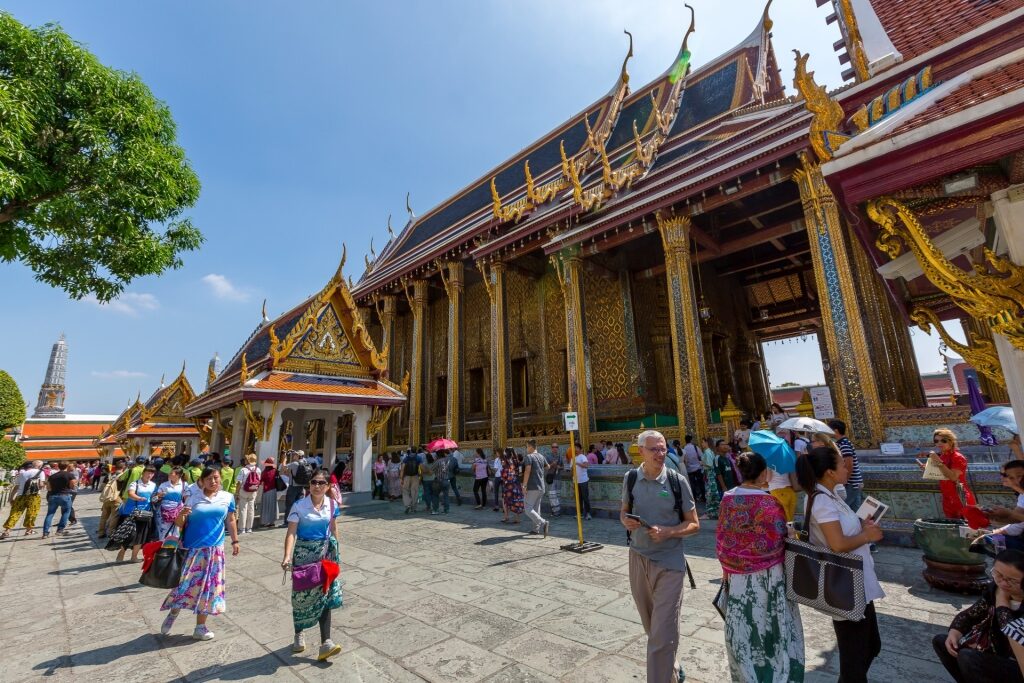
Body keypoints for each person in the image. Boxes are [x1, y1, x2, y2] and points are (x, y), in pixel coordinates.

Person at [797, 445, 885, 683]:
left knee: (871, 645)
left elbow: (840, 531)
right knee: (855, 656)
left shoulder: (831, 495)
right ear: (829, 472)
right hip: (846, 585)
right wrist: (867, 537)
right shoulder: (821, 501)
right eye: (841, 464)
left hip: (858, 579)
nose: (847, 467)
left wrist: (861, 526)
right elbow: (836, 544)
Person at [716, 452, 805, 682]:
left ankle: (747, 674)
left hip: (736, 574)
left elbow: (724, 534)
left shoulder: (727, 498)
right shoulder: (769, 501)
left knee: (744, 626)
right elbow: (778, 540)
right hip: (768, 574)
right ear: (764, 473)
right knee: (771, 624)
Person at [620, 430, 699, 683]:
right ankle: (672, 666)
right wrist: (626, 522)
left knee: (662, 633)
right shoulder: (631, 479)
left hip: (670, 562)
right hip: (639, 557)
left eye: (663, 448)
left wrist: (669, 532)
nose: (660, 454)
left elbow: (694, 524)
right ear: (640, 451)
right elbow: (624, 512)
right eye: (654, 449)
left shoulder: (677, 481)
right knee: (651, 625)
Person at [160, 466, 239, 641]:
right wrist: (181, 514)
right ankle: (174, 612)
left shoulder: (227, 498)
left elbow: (231, 519)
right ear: (201, 481)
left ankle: (200, 627)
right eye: (209, 478)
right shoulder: (193, 498)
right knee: (184, 585)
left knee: (209, 589)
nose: (213, 481)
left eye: (216, 478)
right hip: (192, 549)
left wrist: (235, 540)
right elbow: (180, 523)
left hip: (214, 550)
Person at [932, 549, 1024, 682]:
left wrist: (1002, 603)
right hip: (994, 650)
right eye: (998, 575)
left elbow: (1011, 630)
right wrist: (955, 631)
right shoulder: (995, 590)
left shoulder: (1002, 595)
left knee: (968, 657)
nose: (1003, 583)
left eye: (1012, 581)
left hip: (1017, 663)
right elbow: (971, 614)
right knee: (942, 642)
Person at [282, 469, 343, 660]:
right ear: (309, 485)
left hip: (324, 554)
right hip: (303, 554)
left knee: (325, 595)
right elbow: (291, 533)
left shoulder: (332, 505)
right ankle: (299, 632)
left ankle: (326, 642)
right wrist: (287, 556)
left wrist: (337, 552)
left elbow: (333, 528)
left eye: (321, 483)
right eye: (314, 482)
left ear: (328, 486)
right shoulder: (299, 506)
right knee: (302, 597)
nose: (317, 486)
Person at [918, 428, 977, 519]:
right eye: (936, 441)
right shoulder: (943, 456)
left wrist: (938, 461)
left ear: (951, 441)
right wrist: (927, 469)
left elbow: (953, 477)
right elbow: (941, 473)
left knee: (965, 528)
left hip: (960, 497)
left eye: (943, 440)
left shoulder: (958, 457)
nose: (939, 443)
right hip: (947, 498)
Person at [115, 464, 157, 561]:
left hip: (145, 513)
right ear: (143, 473)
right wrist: (139, 498)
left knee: (140, 535)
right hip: (131, 512)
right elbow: (130, 493)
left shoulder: (153, 485)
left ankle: (134, 556)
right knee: (128, 534)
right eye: (148, 473)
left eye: (152, 473)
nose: (149, 475)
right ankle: (121, 552)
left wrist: (157, 497)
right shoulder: (135, 483)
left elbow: (154, 497)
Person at [1, 460, 45, 539]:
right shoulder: (40, 472)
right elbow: (41, 485)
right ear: (39, 466)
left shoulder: (21, 474)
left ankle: (6, 531)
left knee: (15, 513)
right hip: (34, 496)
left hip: (21, 495)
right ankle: (29, 530)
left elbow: (16, 487)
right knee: (32, 512)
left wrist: (11, 498)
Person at [828, 419, 864, 513]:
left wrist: (844, 481)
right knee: (856, 510)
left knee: (843, 509)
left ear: (835, 431)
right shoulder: (843, 443)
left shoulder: (844, 444)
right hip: (855, 482)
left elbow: (849, 464)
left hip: (851, 483)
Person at [40, 462, 77, 539]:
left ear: (58, 467)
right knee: (66, 512)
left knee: (50, 514)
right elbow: (73, 485)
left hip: (53, 496)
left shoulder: (52, 476)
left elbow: (48, 488)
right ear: (67, 466)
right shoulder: (69, 475)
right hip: (64, 495)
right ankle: (60, 530)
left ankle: (45, 533)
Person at [522, 440, 549, 537]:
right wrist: (539, 472)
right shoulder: (541, 456)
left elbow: (527, 470)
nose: (526, 449)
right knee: (536, 508)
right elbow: (548, 467)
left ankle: (543, 522)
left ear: (530, 447)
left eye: (527, 447)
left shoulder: (529, 457)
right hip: (541, 486)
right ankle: (535, 529)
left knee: (528, 509)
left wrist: (524, 485)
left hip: (532, 486)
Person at [153, 467, 186, 539]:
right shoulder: (164, 485)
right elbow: (155, 499)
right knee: (163, 533)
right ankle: (163, 549)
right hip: (163, 513)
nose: (169, 474)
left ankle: (172, 549)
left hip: (177, 512)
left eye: (172, 473)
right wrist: (159, 496)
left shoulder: (184, 485)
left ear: (178, 475)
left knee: (176, 534)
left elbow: (187, 499)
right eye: (170, 473)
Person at [97, 460, 125, 538]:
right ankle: (110, 533)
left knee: (104, 516)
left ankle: (101, 532)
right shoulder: (123, 476)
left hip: (107, 498)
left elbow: (102, 486)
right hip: (117, 498)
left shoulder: (109, 475)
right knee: (114, 517)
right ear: (123, 467)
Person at [236, 453, 260, 534]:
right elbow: (258, 482)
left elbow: (239, 482)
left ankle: (242, 528)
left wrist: (237, 491)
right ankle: (249, 528)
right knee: (251, 509)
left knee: (243, 509)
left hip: (244, 490)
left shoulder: (243, 470)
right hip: (253, 491)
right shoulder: (258, 469)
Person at [500, 447, 524, 524]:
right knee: (516, 500)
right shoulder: (517, 461)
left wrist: (504, 478)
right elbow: (520, 473)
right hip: (516, 483)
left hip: (508, 484)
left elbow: (504, 474)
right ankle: (517, 518)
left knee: (505, 500)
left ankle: (506, 516)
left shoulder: (505, 461)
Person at [286, 451, 312, 516]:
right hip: (302, 487)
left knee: (290, 504)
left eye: (295, 454)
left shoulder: (294, 464)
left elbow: (283, 467)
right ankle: (299, 519)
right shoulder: (306, 462)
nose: (294, 455)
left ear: (298, 456)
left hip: (293, 486)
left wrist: (285, 458)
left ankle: (287, 521)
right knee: (300, 504)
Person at [700, 438, 720, 520]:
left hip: (709, 474)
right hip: (711, 474)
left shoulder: (707, 452)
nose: (702, 443)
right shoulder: (710, 451)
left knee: (709, 494)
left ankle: (709, 513)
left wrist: (702, 463)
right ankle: (715, 512)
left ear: (706, 443)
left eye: (703, 442)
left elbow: (709, 464)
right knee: (713, 493)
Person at [682, 435, 705, 504]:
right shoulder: (695, 447)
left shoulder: (684, 449)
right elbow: (701, 456)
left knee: (692, 484)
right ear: (691, 440)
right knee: (701, 483)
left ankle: (694, 498)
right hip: (698, 468)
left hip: (689, 469)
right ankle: (703, 497)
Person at [400, 449, 423, 514]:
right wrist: (421, 477)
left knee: (405, 491)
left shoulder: (406, 458)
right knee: (415, 492)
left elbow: (402, 469)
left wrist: (401, 478)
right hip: (415, 476)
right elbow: (421, 467)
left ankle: (407, 504)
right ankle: (414, 508)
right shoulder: (418, 458)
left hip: (407, 476)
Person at [260, 458, 280, 527]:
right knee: (272, 506)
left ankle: (265, 522)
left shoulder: (264, 472)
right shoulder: (275, 471)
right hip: (274, 490)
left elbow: (261, 482)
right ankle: (272, 522)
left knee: (266, 506)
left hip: (266, 490)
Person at [574, 443, 593, 520]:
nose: (575, 449)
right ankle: (580, 513)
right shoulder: (573, 458)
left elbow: (586, 466)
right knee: (578, 498)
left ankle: (588, 513)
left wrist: (578, 463)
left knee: (585, 497)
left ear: (580, 449)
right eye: (574, 448)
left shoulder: (583, 457)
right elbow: (572, 469)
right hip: (576, 481)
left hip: (583, 480)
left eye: (576, 448)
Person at [431, 449, 452, 514]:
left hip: (438, 480)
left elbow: (431, 471)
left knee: (435, 495)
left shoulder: (437, 461)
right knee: (446, 495)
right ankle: (446, 510)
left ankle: (435, 510)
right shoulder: (448, 460)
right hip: (446, 480)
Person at [545, 444, 562, 517]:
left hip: (558, 478)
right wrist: (552, 464)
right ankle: (555, 512)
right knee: (552, 496)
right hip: (551, 478)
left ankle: (557, 511)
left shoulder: (560, 457)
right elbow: (546, 468)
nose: (555, 448)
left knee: (557, 495)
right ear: (551, 448)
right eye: (553, 447)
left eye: (556, 447)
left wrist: (559, 467)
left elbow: (563, 467)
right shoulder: (548, 457)